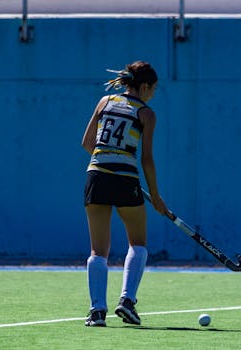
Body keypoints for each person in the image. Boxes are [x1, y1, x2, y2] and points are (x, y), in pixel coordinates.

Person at [81, 61, 171, 327]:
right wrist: (155, 196)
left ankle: (97, 311)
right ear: (144, 87)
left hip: (95, 175)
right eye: (153, 89)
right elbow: (147, 161)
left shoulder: (105, 101)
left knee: (98, 250)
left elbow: (88, 144)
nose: (153, 94)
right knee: (138, 243)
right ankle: (127, 301)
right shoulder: (146, 113)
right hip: (125, 180)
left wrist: (108, 161)